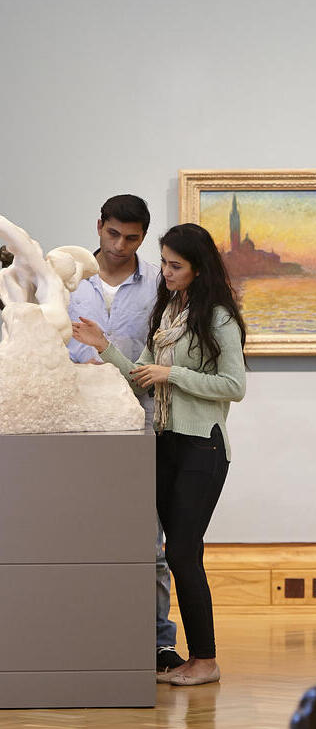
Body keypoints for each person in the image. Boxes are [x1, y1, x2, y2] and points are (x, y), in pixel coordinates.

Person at [73, 221, 247, 686]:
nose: (164, 272)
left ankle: (205, 660)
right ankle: (196, 659)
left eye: (175, 265)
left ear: (198, 268)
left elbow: (235, 387)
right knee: (176, 555)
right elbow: (142, 374)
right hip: (164, 441)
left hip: (202, 446)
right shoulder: (170, 309)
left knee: (184, 553)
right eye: (165, 262)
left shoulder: (220, 317)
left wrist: (173, 374)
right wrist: (104, 348)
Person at [66, 194, 184, 675]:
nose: (120, 245)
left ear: (144, 236)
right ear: (98, 226)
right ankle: (84, 632)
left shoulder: (162, 284)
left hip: (144, 418)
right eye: (112, 234)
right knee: (79, 531)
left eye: (132, 237)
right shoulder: (67, 278)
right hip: (76, 418)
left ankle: (159, 642)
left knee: (149, 539)